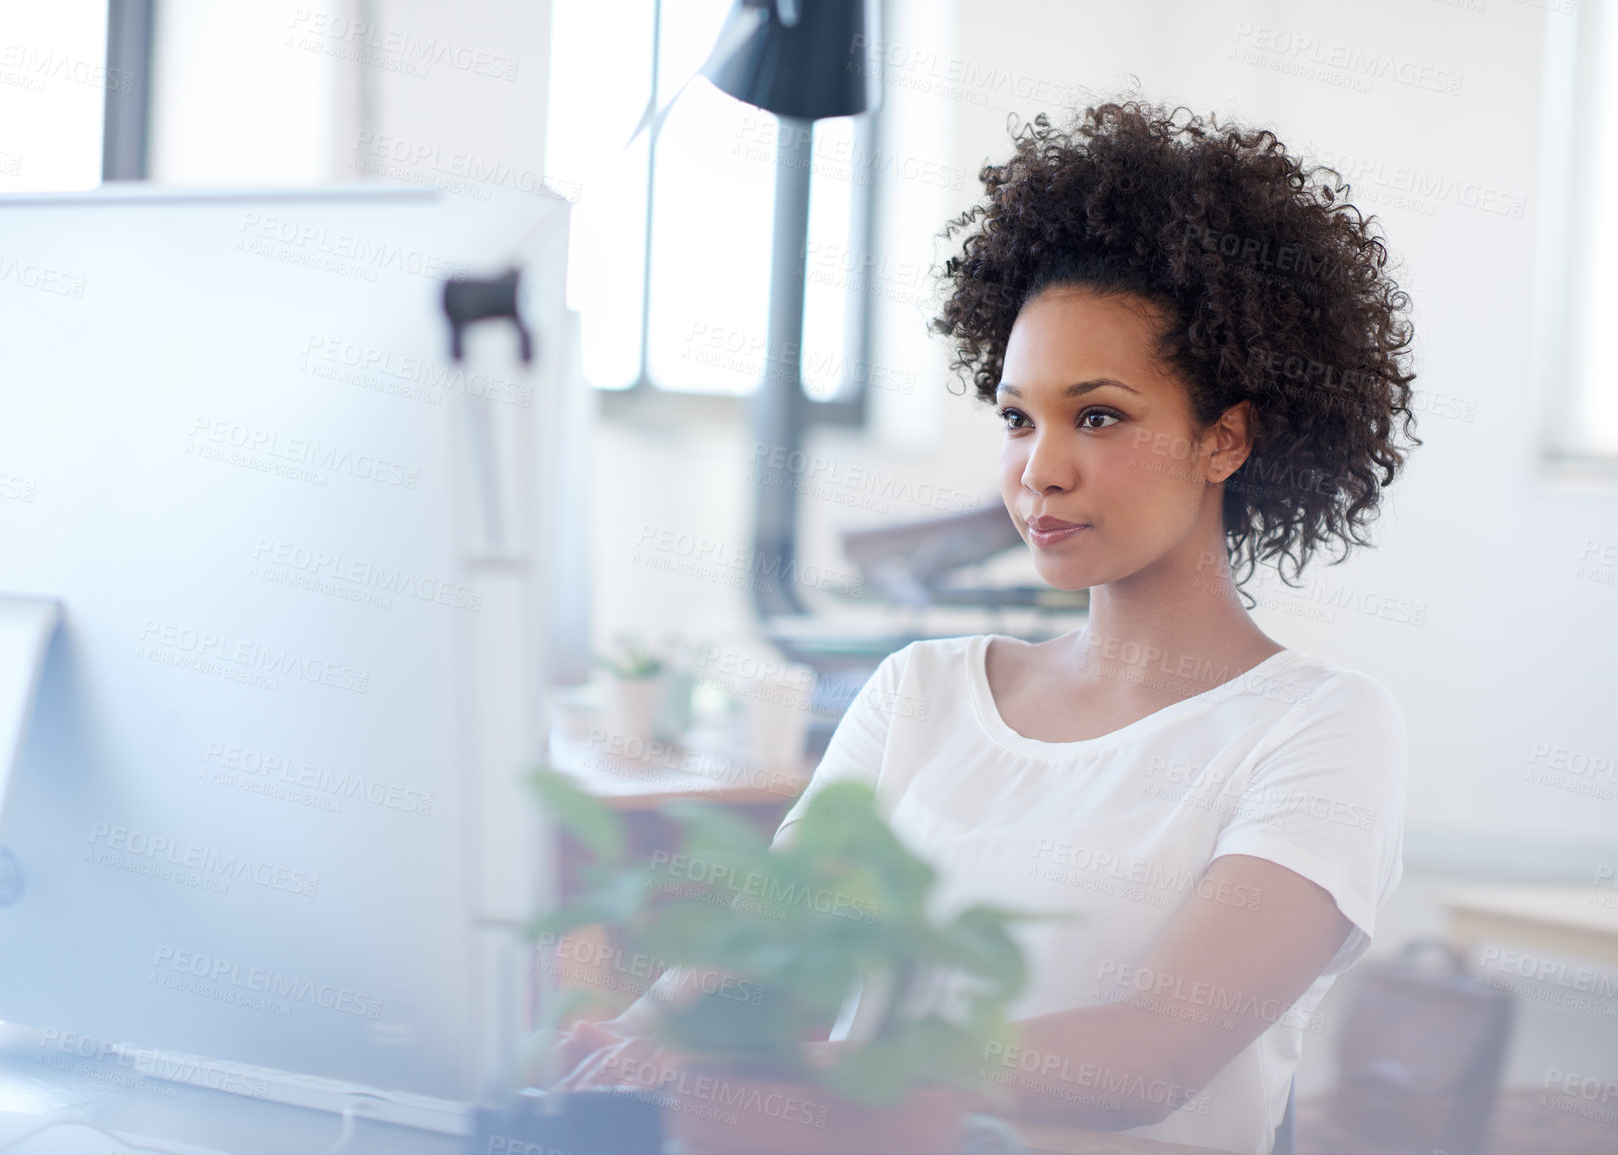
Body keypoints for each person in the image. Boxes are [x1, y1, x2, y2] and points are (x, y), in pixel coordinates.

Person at [538, 99, 1420, 1154]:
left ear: (1224, 437)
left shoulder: (1318, 726)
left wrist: (799, 1068)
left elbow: (1149, 1059)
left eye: (1099, 415)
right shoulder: (922, 692)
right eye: (1016, 416)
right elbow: (750, 962)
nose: (1040, 467)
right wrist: (628, 1039)